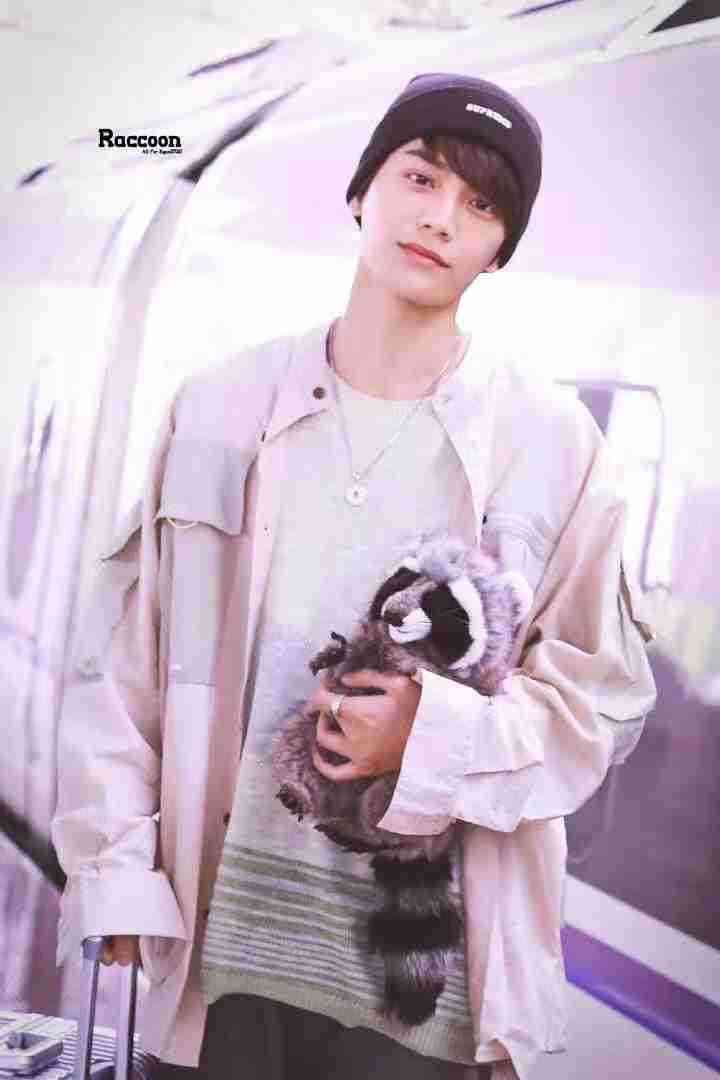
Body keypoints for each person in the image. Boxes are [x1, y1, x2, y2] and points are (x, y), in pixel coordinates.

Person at [51, 74, 657, 1080]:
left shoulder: (556, 446)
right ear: (361, 192)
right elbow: (122, 666)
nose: (440, 217)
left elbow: (598, 706)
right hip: (219, 961)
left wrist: (427, 737)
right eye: (419, 178)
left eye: (481, 204)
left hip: (424, 996)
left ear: (499, 249)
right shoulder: (218, 407)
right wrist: (114, 870)